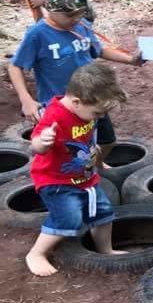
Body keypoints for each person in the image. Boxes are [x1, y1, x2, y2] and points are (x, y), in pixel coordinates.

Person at [8, 0, 141, 162]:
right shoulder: (37, 34)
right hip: (61, 105)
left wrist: (131, 60)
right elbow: (15, 66)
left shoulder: (81, 25)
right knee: (67, 149)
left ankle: (94, 168)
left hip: (92, 97)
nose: (76, 18)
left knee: (107, 141)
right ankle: (73, 178)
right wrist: (26, 100)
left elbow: (99, 50)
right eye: (70, 15)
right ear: (49, 9)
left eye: (80, 13)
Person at [25, 62, 128, 277]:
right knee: (68, 219)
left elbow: (85, 134)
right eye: (97, 113)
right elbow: (35, 145)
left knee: (104, 214)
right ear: (76, 101)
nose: (99, 118)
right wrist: (43, 141)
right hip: (55, 180)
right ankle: (36, 253)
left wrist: (95, 152)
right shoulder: (54, 115)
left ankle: (105, 250)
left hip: (85, 177)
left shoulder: (84, 111)